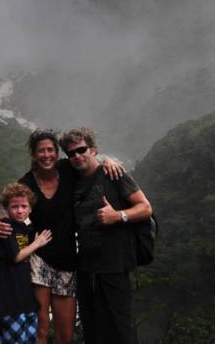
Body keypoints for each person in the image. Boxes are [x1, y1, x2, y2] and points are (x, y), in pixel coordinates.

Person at [0, 129, 124, 344]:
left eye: (50, 150)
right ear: (33, 155)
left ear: (57, 153)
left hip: (68, 260)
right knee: (40, 328)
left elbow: (88, 163)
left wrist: (107, 161)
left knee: (65, 333)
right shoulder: (26, 184)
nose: (46, 155)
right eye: (41, 151)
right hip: (39, 259)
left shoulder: (67, 170)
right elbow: (14, 211)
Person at [59, 127, 153, 344]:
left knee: (121, 330)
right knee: (93, 330)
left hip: (115, 265)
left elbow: (145, 208)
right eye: (71, 153)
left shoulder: (115, 174)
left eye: (81, 150)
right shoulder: (72, 179)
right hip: (86, 267)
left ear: (93, 149)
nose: (77, 156)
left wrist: (118, 216)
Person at [0, 182, 53, 344]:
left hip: (26, 302)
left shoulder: (23, 228)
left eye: (24, 206)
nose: (20, 210)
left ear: (30, 208)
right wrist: (37, 243)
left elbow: (32, 228)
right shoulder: (6, 228)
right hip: (9, 303)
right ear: (6, 209)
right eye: (14, 207)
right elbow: (16, 257)